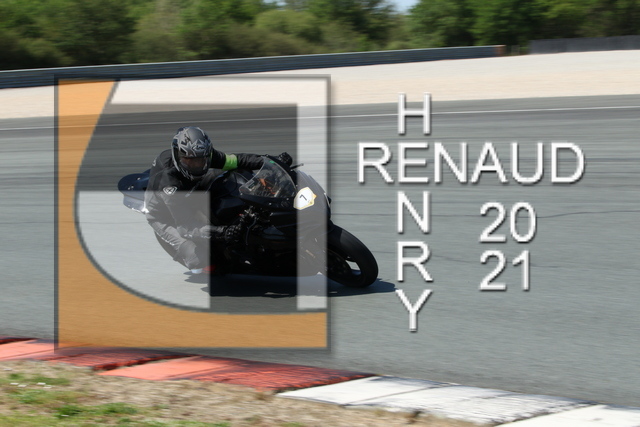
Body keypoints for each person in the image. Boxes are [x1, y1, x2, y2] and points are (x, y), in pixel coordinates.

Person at [144, 126, 290, 272]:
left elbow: (236, 160)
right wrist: (223, 232)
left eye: (201, 160)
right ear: (178, 156)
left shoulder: (202, 154)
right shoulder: (169, 184)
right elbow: (186, 227)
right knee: (200, 259)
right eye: (189, 161)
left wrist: (271, 162)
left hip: (191, 189)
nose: (196, 165)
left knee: (233, 175)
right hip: (166, 215)